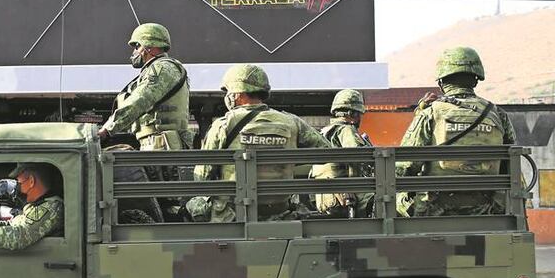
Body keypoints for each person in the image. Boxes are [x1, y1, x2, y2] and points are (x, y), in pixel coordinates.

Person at [188, 64, 332, 222]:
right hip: (280, 214)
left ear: (237, 94)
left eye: (228, 91)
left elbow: (202, 176)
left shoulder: (223, 125)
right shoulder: (292, 122)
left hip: (234, 215)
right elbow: (325, 151)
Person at [396, 46, 517, 216]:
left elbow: (405, 166)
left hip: (434, 209)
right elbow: (511, 161)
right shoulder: (497, 113)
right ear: (475, 81)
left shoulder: (431, 112)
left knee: (393, 197)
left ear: (441, 83)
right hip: (488, 209)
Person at [97, 23, 192, 156]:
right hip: (158, 143)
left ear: (149, 47)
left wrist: (107, 130)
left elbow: (139, 100)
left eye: (137, 46)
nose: (135, 51)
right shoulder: (159, 69)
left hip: (162, 145)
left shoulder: (162, 69)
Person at [311, 89, 374, 217]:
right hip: (346, 198)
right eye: (359, 114)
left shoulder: (323, 132)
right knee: (389, 200)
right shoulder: (345, 129)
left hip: (325, 198)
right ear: (352, 113)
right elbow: (361, 156)